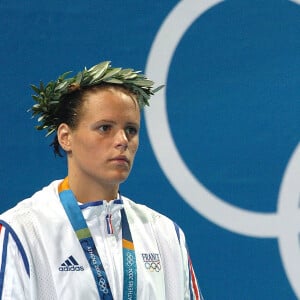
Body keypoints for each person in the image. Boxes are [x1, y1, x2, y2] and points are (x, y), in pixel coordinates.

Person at [0, 61, 204, 299]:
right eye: (105, 128)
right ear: (66, 137)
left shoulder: (165, 235)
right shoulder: (22, 233)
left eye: (131, 130)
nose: (122, 140)